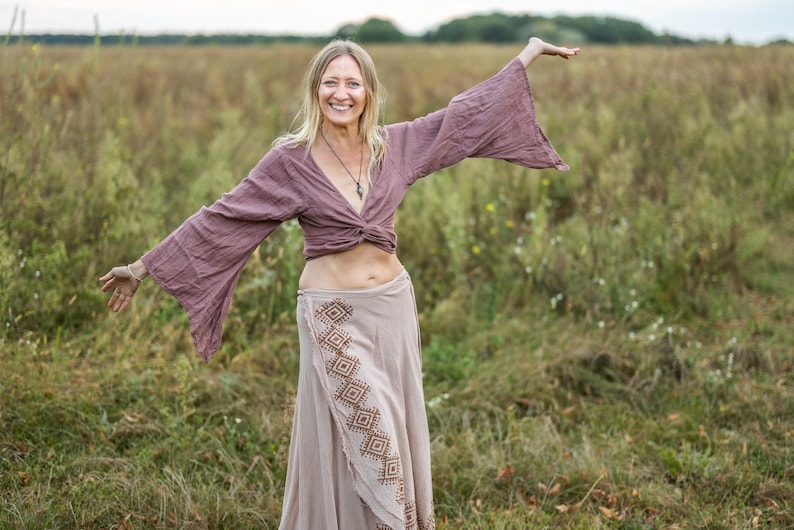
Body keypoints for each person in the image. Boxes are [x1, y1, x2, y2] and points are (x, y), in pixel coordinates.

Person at [100, 36, 579, 530]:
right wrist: (140, 270)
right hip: (333, 318)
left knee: (389, 430)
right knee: (372, 440)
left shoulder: (394, 147)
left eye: (353, 83)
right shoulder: (290, 160)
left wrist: (527, 55)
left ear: (368, 91)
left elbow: (463, 117)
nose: (341, 93)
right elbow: (223, 218)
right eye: (331, 82)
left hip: (392, 311)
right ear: (316, 90)